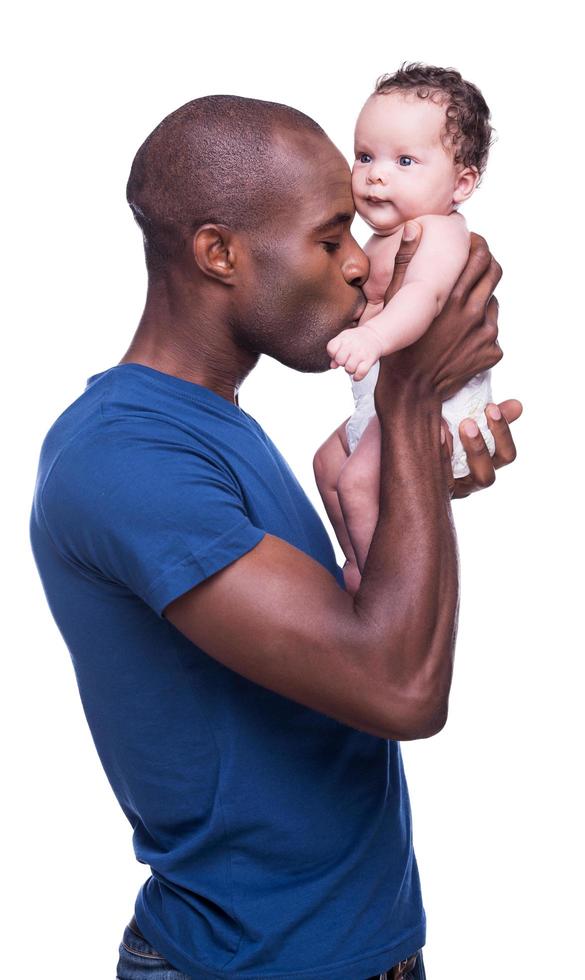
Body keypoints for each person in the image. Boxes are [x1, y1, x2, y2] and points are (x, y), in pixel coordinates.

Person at [29, 94, 520, 980]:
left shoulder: (218, 425)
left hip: (363, 952)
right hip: (244, 965)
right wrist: (408, 399)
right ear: (219, 253)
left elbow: (362, 626)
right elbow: (401, 688)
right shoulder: (126, 456)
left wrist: (421, 475)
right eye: (330, 241)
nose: (360, 273)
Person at [316, 64, 496, 581]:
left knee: (354, 484)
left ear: (461, 183)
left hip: (432, 404)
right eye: (365, 156)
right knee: (327, 467)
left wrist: (372, 334)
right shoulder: (382, 237)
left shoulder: (437, 232)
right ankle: (357, 560)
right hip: (385, 400)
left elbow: (422, 296)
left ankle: (385, 590)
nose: (376, 174)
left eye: (405, 160)